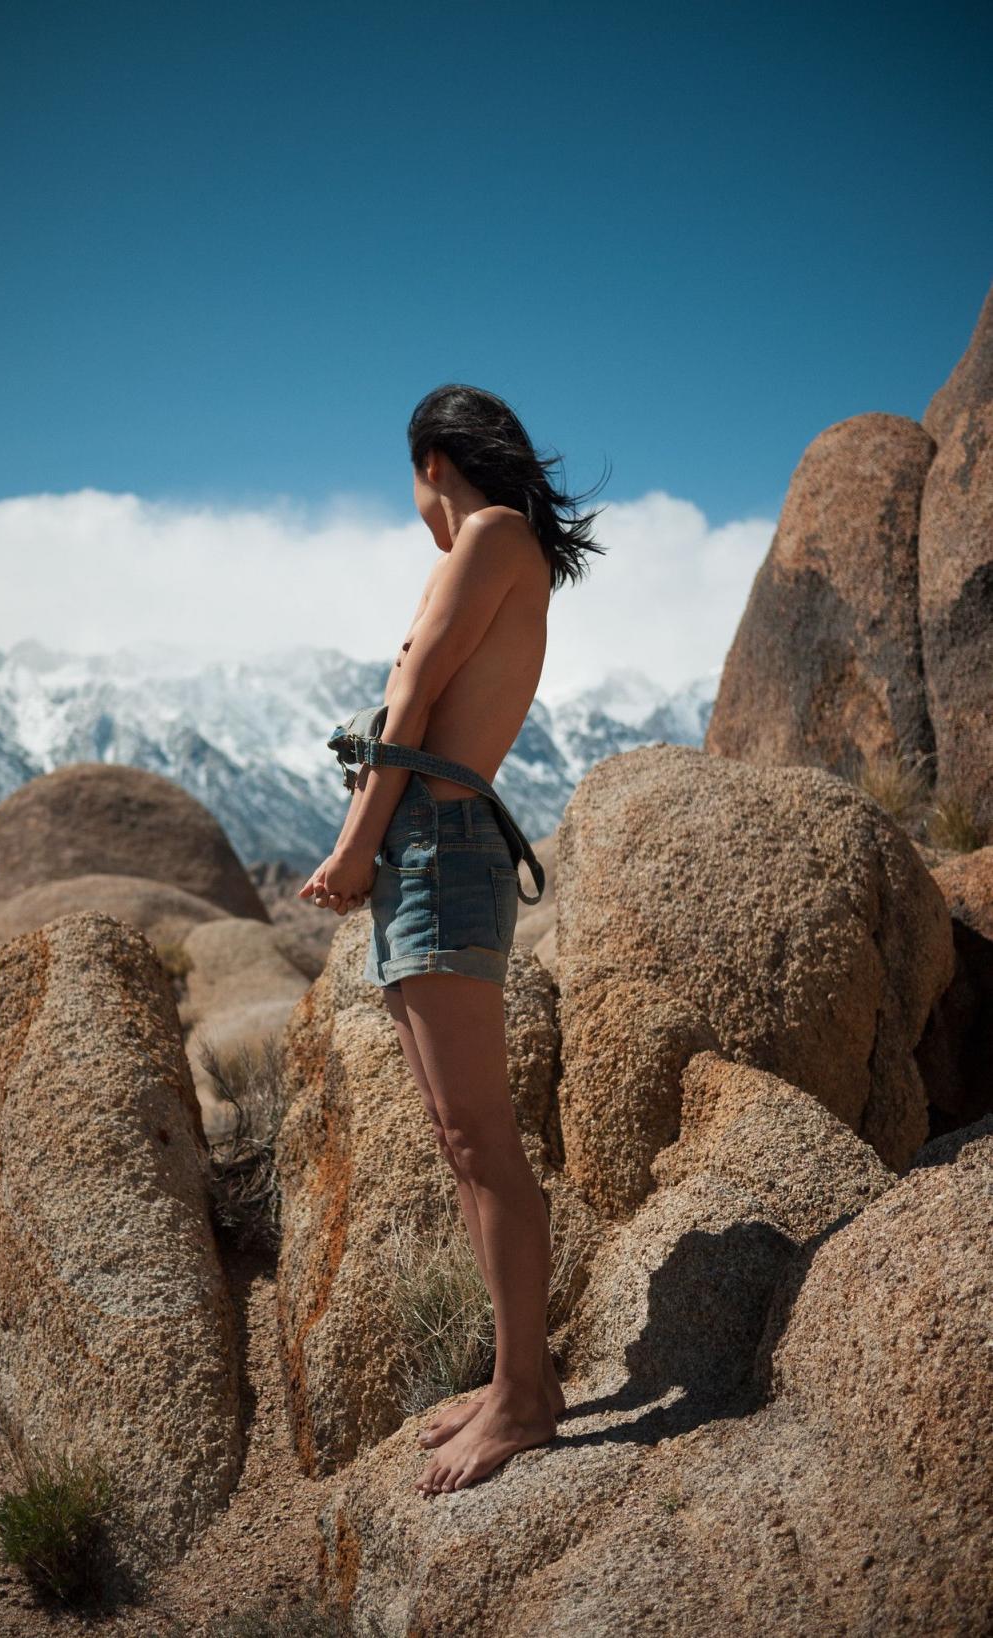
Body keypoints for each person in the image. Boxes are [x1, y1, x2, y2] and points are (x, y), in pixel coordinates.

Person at [299, 383, 607, 1495]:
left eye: (414, 485)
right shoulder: (504, 546)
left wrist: (351, 850)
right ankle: (521, 1379)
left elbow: (416, 701)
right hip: (429, 851)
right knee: (458, 1136)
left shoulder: (487, 536)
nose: (419, 509)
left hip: (437, 851)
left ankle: (522, 1400)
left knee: (481, 1139)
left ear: (433, 462)